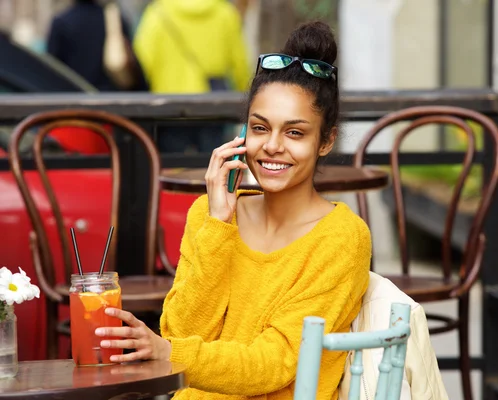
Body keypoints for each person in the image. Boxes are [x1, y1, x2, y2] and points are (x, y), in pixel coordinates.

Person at [94, 21, 372, 399]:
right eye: (260, 128)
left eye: (295, 132)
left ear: (326, 141)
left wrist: (168, 351)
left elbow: (276, 363)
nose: (272, 146)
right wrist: (218, 225)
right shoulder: (210, 216)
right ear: (243, 134)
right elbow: (181, 333)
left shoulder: (342, 237)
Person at [133, 0, 251, 153]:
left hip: (168, 108)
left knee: (171, 167)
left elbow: (142, 62)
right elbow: (239, 63)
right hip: (213, 106)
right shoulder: (225, 13)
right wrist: (247, 98)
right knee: (211, 163)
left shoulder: (157, 12)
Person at [46, 0, 147, 92]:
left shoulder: (61, 24)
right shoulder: (114, 19)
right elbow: (136, 73)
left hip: (74, 101)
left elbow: (51, 74)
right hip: (111, 100)